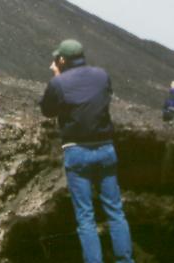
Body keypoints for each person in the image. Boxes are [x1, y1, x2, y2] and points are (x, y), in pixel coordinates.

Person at [39, 39, 133, 263]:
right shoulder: (102, 75)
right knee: (115, 212)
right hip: (105, 149)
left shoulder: (59, 83)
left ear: (62, 60)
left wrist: (57, 78)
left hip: (77, 151)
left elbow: (47, 111)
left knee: (85, 217)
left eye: (57, 59)